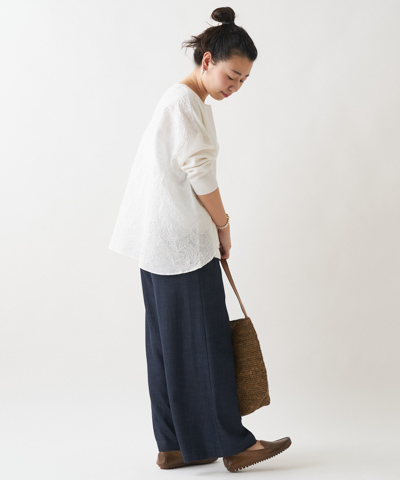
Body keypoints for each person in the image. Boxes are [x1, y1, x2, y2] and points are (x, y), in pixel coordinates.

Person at [108, 6, 291, 473]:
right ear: (207, 60)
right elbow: (201, 174)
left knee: (167, 346)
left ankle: (174, 444)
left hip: (156, 243)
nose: (235, 87)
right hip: (182, 245)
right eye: (231, 75)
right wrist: (224, 225)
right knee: (207, 344)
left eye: (244, 80)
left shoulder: (178, 100)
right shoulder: (186, 103)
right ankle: (233, 443)